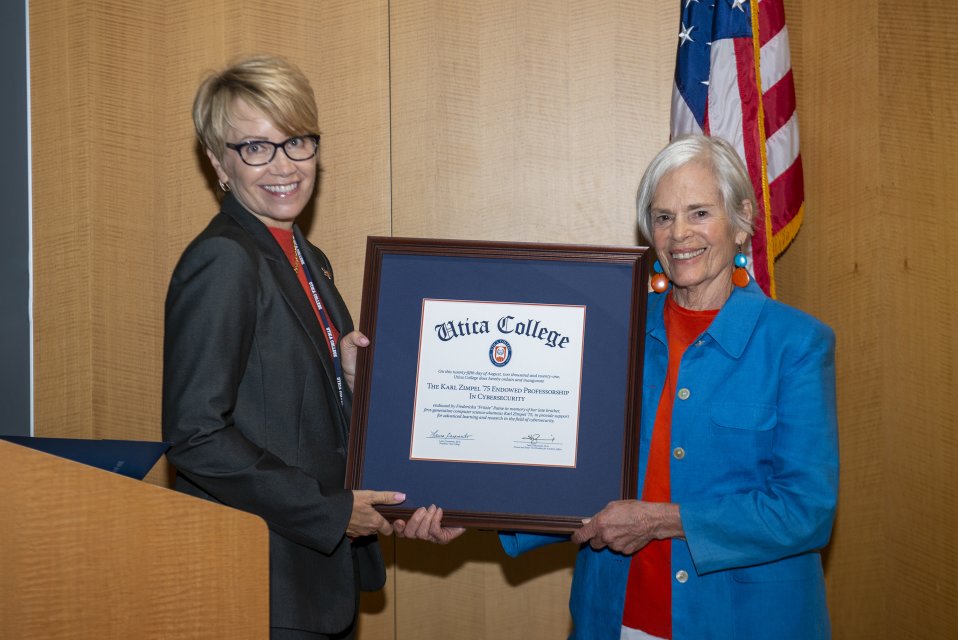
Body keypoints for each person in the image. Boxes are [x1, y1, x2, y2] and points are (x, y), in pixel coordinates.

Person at [162, 54, 459, 640]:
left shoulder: (305, 256)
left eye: (297, 141)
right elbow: (196, 434)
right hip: (263, 584)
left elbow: (298, 410)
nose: (284, 166)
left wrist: (350, 381)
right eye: (255, 147)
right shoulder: (224, 259)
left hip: (317, 581)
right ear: (218, 163)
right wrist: (331, 512)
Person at [501, 135, 839, 639]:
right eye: (663, 217)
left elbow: (805, 509)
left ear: (742, 221)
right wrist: (470, 505)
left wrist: (664, 520)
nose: (679, 233)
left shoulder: (796, 344)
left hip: (746, 623)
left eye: (700, 212)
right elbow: (570, 465)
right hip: (616, 617)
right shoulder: (612, 331)